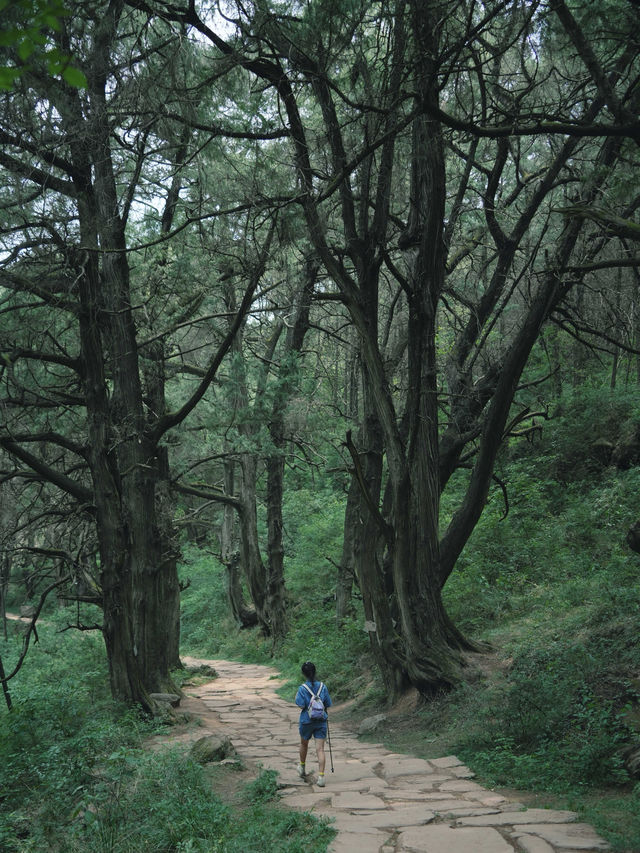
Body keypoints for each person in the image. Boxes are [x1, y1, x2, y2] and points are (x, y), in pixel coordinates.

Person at [295, 660, 332, 787]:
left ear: (303, 674)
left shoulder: (302, 688)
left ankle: (302, 767)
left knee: (303, 744)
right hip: (321, 721)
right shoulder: (323, 686)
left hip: (306, 721)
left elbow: (300, 704)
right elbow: (328, 703)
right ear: (315, 671)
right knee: (320, 749)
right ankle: (321, 777)